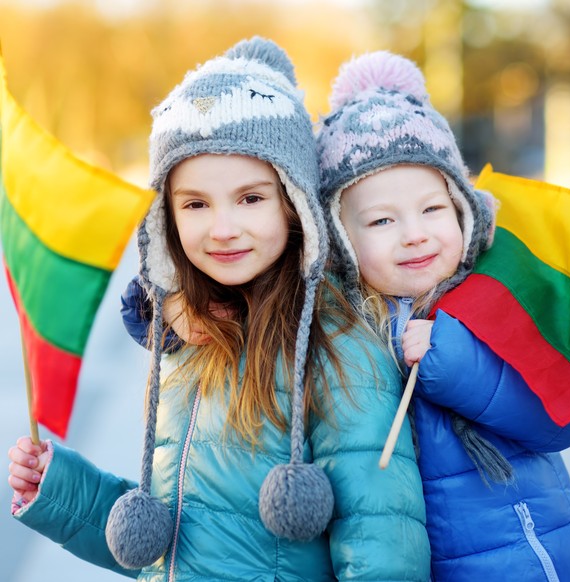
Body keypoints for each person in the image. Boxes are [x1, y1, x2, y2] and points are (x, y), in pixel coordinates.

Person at [7, 38, 431, 581]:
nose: (223, 228)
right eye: (196, 204)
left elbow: (383, 548)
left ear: (293, 202)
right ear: (167, 218)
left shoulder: (339, 349)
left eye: (251, 198)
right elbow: (177, 539)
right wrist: (60, 491)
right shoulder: (190, 338)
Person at [315, 50, 570, 581]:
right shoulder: (340, 326)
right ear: (341, 239)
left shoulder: (490, 300)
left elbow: (560, 419)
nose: (414, 233)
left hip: (531, 554)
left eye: (433, 209)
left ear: (463, 209)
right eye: (382, 219)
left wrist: (455, 359)